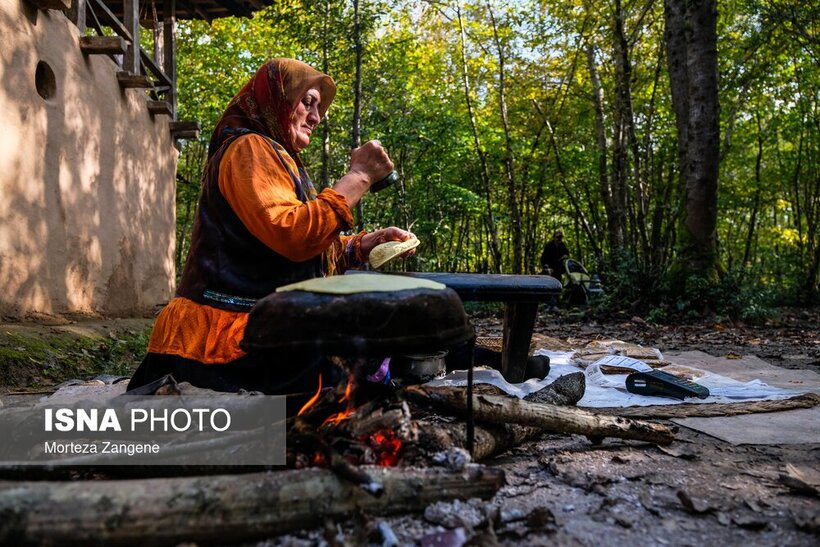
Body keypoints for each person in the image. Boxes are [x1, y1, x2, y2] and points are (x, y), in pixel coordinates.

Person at [127, 58, 414, 397]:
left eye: (318, 107)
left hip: (259, 329)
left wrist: (362, 245)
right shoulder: (248, 148)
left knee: (381, 345)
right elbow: (293, 235)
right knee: (360, 357)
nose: (316, 116)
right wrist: (359, 176)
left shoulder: (279, 156)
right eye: (306, 102)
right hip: (226, 342)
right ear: (276, 99)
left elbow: (296, 246)